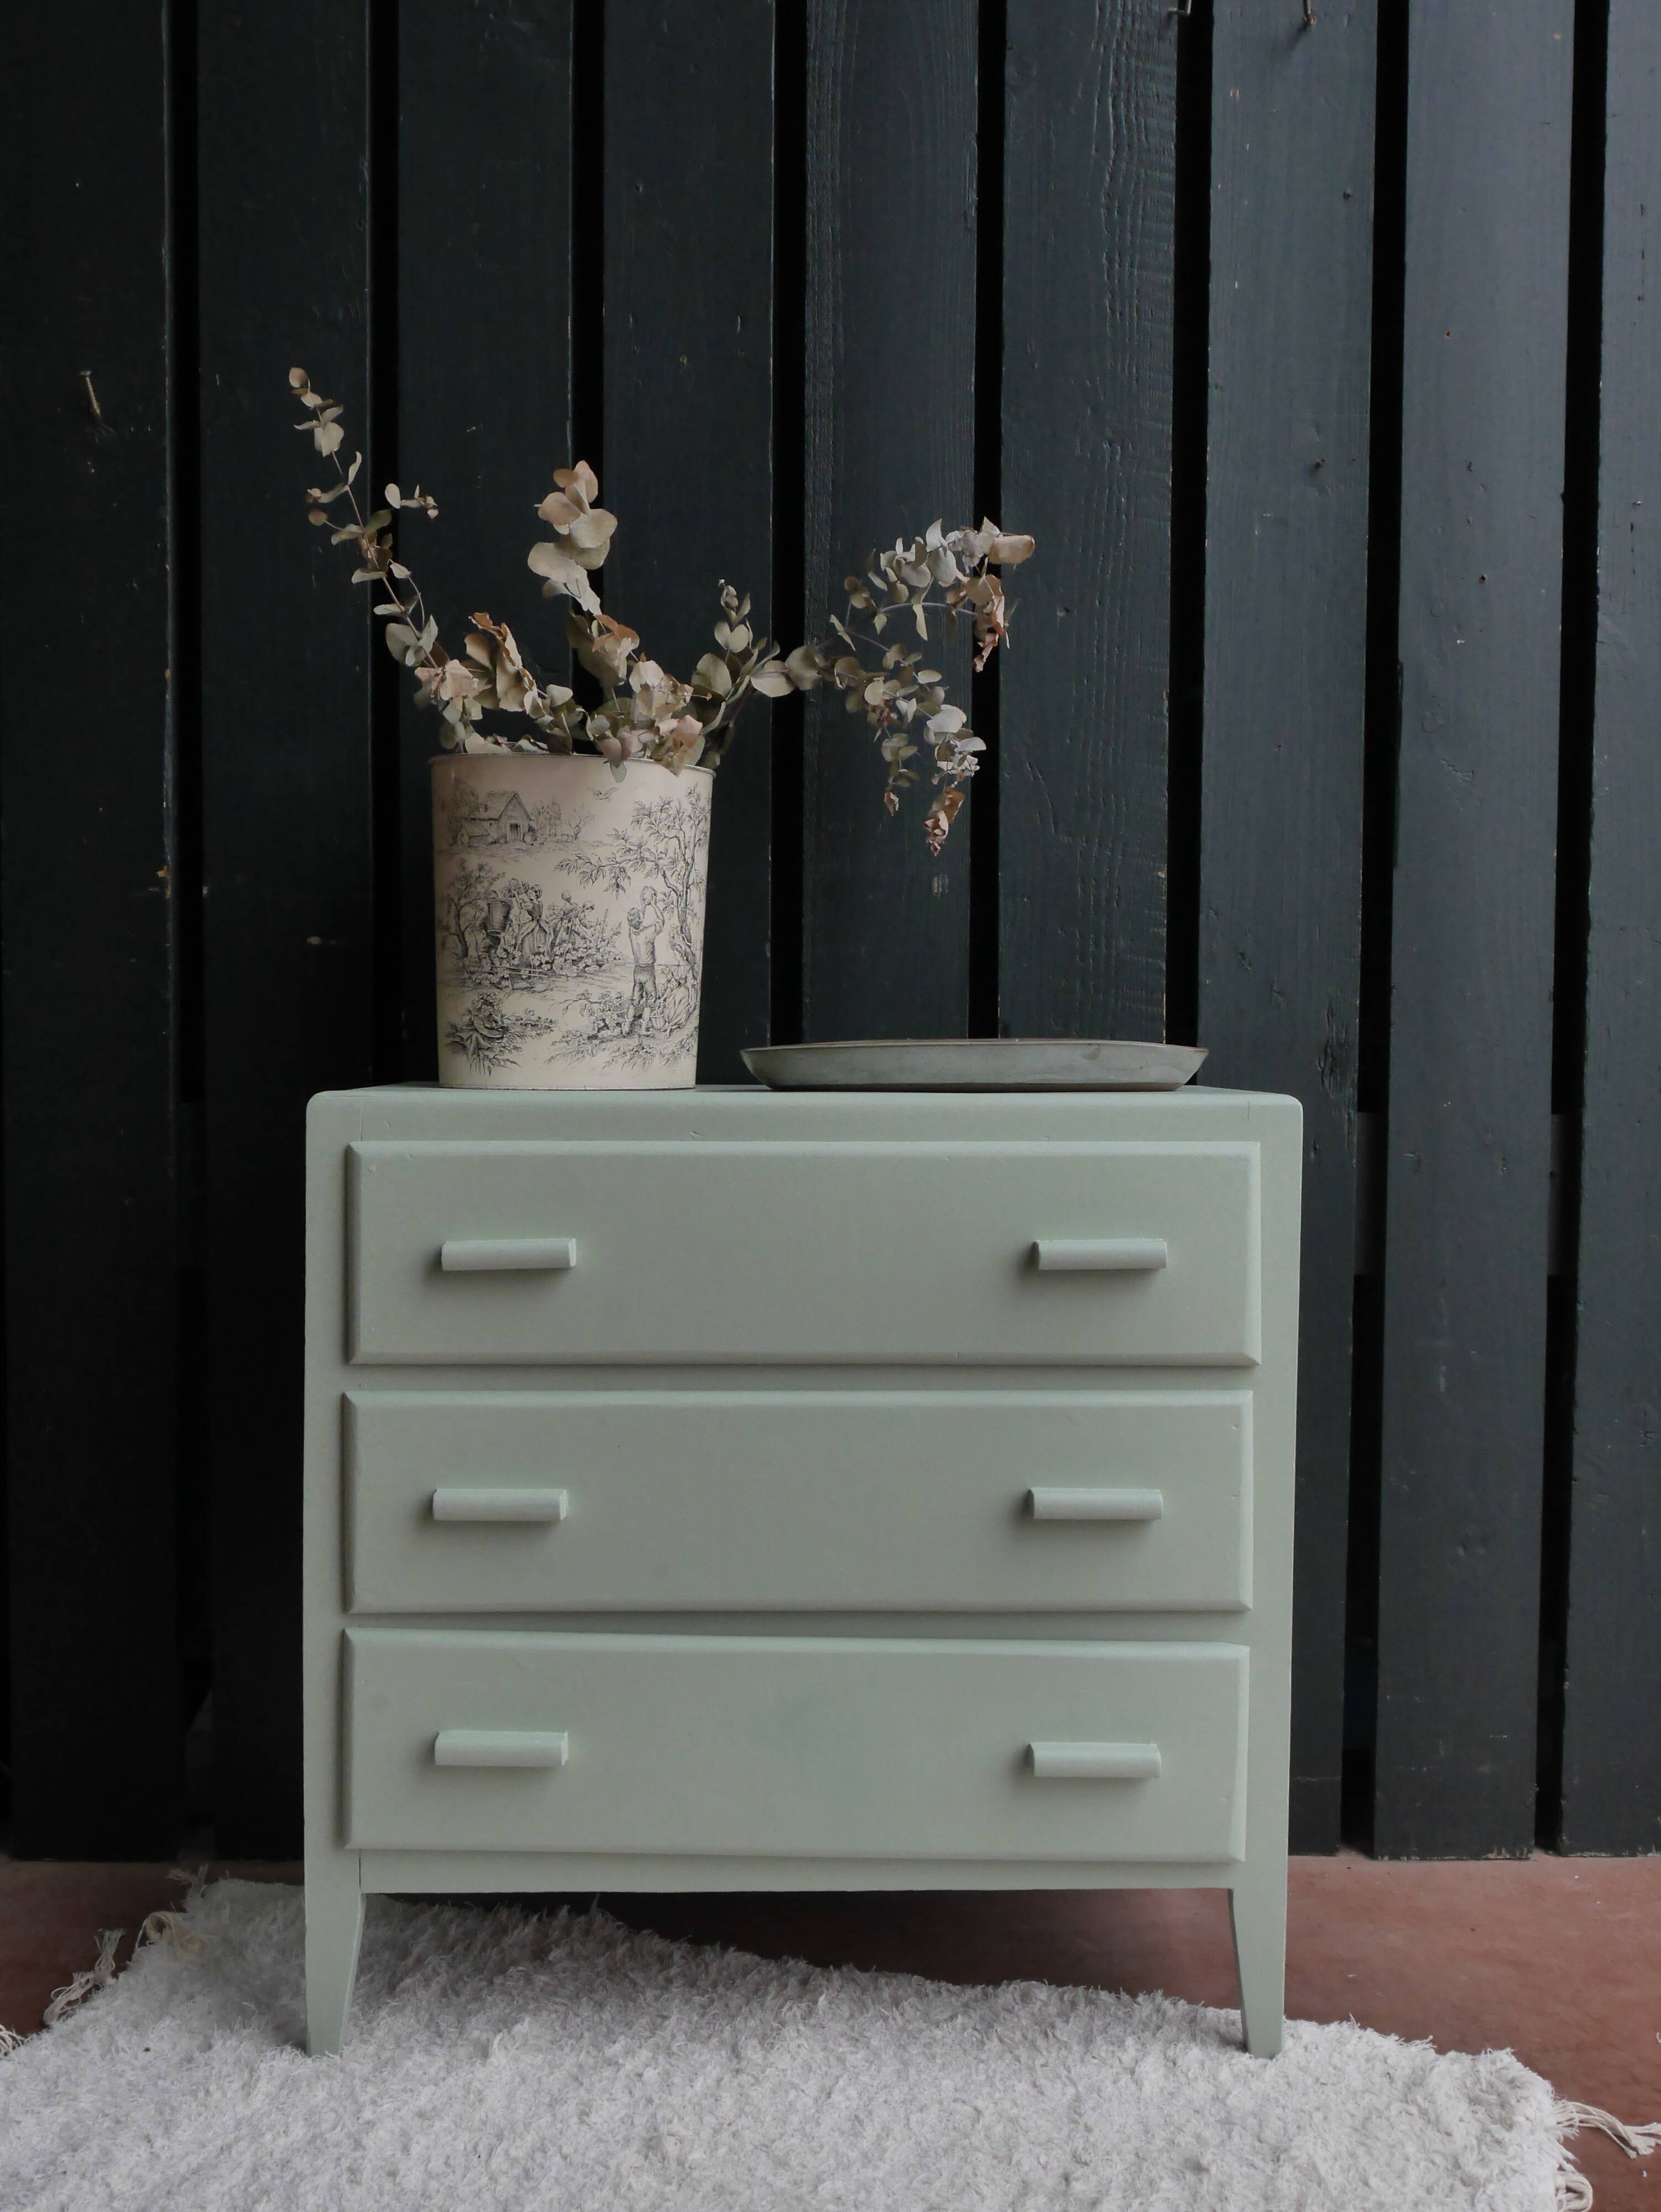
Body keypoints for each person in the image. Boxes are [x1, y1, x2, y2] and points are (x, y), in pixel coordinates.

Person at [624, 889, 665, 1034]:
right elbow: (661, 920)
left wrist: (643, 906)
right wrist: (653, 905)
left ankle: (626, 1027)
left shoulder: (631, 932)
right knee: (650, 999)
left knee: (635, 999)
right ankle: (643, 1028)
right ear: (640, 919)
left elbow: (638, 919)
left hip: (637, 971)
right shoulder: (649, 932)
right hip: (648, 971)